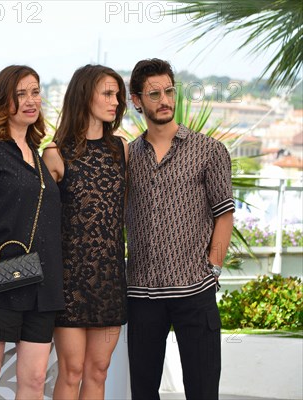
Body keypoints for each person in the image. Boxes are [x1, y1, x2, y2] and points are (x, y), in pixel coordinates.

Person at [126, 58, 234, 400]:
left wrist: (213, 270)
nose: (164, 100)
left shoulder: (209, 151)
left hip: (195, 291)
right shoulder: (127, 157)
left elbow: (224, 214)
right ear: (137, 100)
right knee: (143, 391)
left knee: (203, 390)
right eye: (154, 93)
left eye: (169, 91)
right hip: (141, 294)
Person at [0, 65, 64, 400]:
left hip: (42, 285)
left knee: (34, 380)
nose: (31, 101)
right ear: (4, 100)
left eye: (35, 91)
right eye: (21, 94)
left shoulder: (38, 152)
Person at [42, 64, 128, 399]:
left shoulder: (123, 150)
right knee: (71, 371)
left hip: (109, 280)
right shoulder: (54, 154)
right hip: (69, 283)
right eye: (108, 93)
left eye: (118, 95)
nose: (116, 101)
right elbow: (40, 225)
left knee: (99, 371)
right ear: (83, 95)